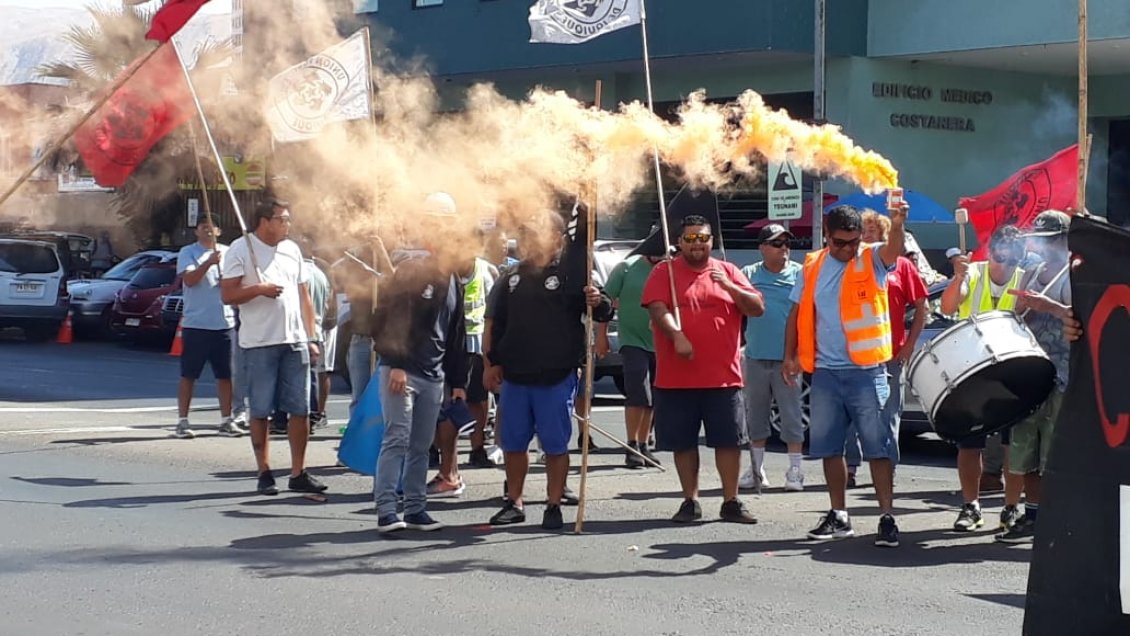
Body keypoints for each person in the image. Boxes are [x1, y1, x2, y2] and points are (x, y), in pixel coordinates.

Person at [784, 202, 907, 548]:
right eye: (840, 242)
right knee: (829, 448)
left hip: (867, 372)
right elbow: (796, 313)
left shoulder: (871, 258)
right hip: (825, 372)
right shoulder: (812, 265)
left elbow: (893, 248)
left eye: (853, 241)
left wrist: (897, 223)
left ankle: (886, 517)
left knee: (879, 448)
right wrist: (789, 356)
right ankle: (839, 515)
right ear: (826, 237)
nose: (848, 249)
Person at [484, 210, 612, 530]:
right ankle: (514, 501)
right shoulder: (509, 277)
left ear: (556, 238)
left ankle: (553, 503)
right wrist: (491, 362)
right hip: (514, 374)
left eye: (536, 233)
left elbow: (604, 308)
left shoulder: (573, 272)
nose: (528, 240)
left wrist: (597, 301)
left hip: (555, 374)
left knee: (555, 445)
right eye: (525, 235)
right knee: (513, 444)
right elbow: (494, 323)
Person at [643, 214, 764, 524]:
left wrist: (731, 287)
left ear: (712, 241)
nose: (697, 244)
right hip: (676, 378)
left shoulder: (729, 270)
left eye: (703, 238)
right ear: (680, 242)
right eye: (691, 239)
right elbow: (657, 308)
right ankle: (690, 500)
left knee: (729, 441)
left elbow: (756, 308)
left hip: (723, 377)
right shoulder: (664, 272)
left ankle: (731, 500)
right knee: (682, 443)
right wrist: (677, 335)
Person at [370, 192, 468, 533]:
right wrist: (395, 362)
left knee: (421, 445)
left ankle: (414, 508)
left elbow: (455, 334)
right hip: (404, 371)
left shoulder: (453, 279)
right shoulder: (411, 270)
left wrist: (457, 381)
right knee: (397, 437)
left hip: (434, 374)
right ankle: (386, 509)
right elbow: (391, 318)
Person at [220, 199, 327, 497]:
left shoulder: (292, 250)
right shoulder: (241, 249)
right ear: (264, 221)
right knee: (261, 409)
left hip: (295, 341)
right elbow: (227, 295)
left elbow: (304, 295)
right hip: (259, 343)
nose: (287, 225)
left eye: (288, 219)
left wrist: (312, 336)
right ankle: (264, 471)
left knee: (300, 409)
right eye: (282, 219)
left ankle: (298, 471)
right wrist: (258, 289)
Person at [939, 224, 1028, 533]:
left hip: (1010, 371)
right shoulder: (974, 273)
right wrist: (959, 276)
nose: (1006, 266)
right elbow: (949, 305)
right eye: (1001, 257)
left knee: (1011, 445)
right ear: (992, 252)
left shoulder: (1022, 278)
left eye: (1013, 260)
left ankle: (1011, 508)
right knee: (969, 443)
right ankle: (970, 506)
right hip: (972, 368)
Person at [996, 211, 1072, 544]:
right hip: (1031, 376)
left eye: (1051, 239)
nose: (1044, 245)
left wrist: (1049, 306)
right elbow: (1015, 319)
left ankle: (1060, 519)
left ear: (1065, 239)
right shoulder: (1033, 273)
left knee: (1056, 456)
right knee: (1025, 454)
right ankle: (1033, 516)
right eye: (1040, 239)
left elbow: (1083, 319)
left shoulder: (1076, 275)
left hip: (1065, 377)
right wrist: (1019, 311)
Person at [844, 211, 928, 487]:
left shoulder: (902, 267)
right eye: (863, 230)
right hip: (857, 355)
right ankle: (851, 469)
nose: (866, 235)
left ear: (884, 235)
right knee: (853, 416)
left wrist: (910, 345)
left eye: (871, 230)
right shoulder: (852, 264)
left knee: (889, 416)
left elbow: (921, 306)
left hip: (891, 354)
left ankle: (887, 469)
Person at [738, 224, 804, 491]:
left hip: (787, 359)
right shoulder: (749, 273)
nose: (784, 249)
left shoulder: (800, 274)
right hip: (755, 355)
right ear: (762, 248)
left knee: (791, 415)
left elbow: (808, 316)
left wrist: (799, 354)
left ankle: (795, 472)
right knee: (756, 415)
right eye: (777, 244)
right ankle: (756, 470)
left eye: (787, 244)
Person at [428, 249, 496, 497]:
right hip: (450, 344)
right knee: (448, 406)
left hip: (474, 344)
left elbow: (492, 311)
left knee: (472, 400)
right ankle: (443, 463)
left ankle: (474, 451)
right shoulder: (442, 270)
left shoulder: (486, 271)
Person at [174, 218, 242, 439]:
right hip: (197, 324)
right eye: (203, 225)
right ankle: (183, 421)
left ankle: (226, 419)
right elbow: (190, 280)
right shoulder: (188, 252)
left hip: (224, 323)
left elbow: (238, 282)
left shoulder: (229, 251)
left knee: (225, 375)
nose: (207, 229)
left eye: (212, 225)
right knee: (189, 374)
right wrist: (209, 263)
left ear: (219, 230)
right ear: (196, 231)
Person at [597, 251, 661, 469]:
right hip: (632, 340)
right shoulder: (626, 267)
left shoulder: (670, 269)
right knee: (638, 392)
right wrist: (601, 336)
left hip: (661, 342)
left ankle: (643, 445)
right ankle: (632, 444)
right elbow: (605, 301)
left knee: (653, 395)